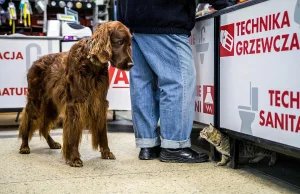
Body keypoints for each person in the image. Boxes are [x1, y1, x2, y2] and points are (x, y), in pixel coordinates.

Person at [117, 0, 229, 163]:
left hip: (132, 20)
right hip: (164, 16)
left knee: (143, 84)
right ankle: (174, 146)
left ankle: (147, 145)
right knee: (178, 81)